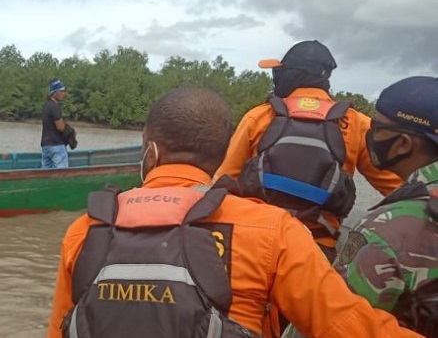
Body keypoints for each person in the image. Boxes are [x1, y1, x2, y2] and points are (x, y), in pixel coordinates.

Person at [46, 87, 422, 338]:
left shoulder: (85, 229)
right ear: (224, 150)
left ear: (150, 150)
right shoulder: (272, 230)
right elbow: (344, 325)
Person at [215, 40, 402, 260]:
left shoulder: (259, 116)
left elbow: (223, 184)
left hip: (256, 242)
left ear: (292, 75)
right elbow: (398, 189)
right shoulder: (357, 123)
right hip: (317, 249)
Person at [331, 76, 437, 336]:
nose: (369, 133)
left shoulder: (386, 230)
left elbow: (330, 321)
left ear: (403, 143)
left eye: (377, 126)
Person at [41, 78, 76, 169]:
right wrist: (70, 132)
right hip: (56, 146)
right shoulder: (55, 106)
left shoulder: (46, 105)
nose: (63, 94)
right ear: (55, 92)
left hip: (45, 146)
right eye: (61, 91)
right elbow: (60, 127)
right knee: (62, 176)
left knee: (46, 175)